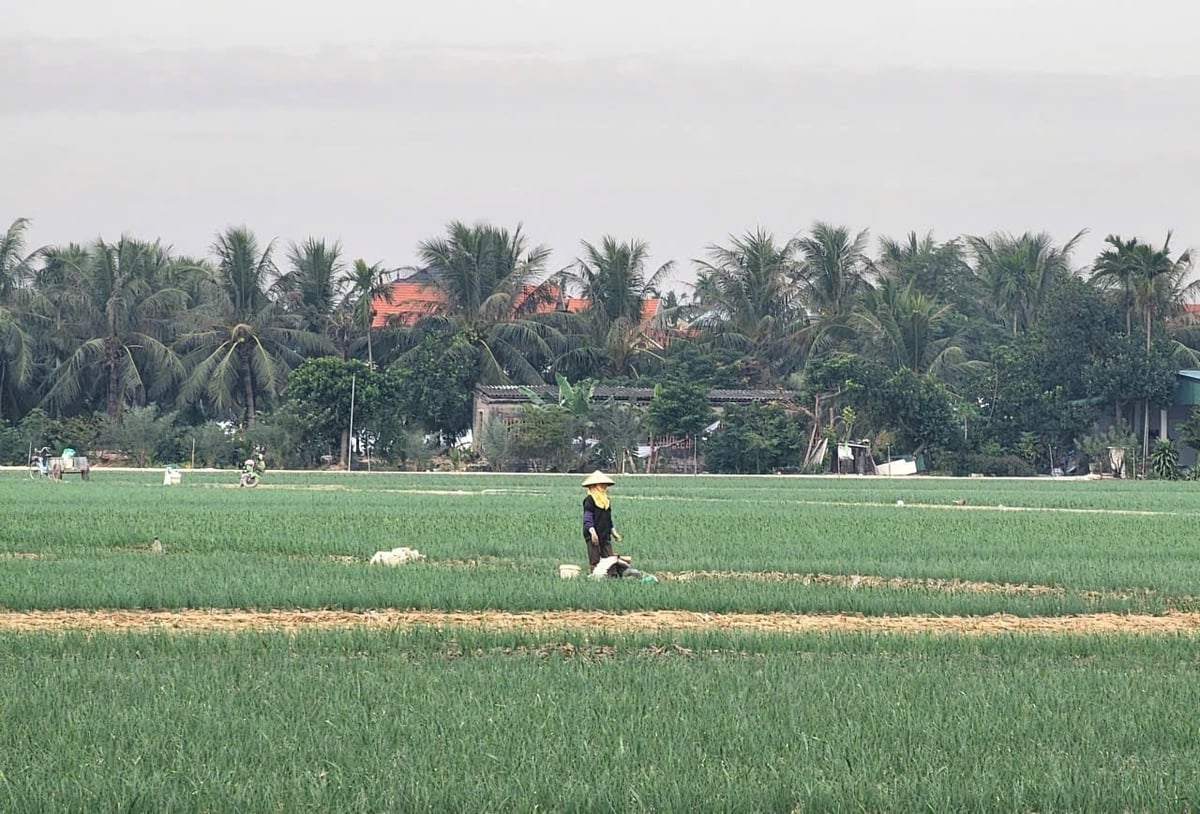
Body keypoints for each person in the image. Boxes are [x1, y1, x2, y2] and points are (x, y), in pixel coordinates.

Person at [581, 470, 621, 570]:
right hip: (593, 534)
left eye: (605, 484)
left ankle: (609, 578)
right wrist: (592, 532)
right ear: (594, 486)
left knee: (609, 559)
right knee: (595, 560)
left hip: (605, 533)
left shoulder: (606, 500)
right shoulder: (589, 500)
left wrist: (614, 532)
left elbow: (608, 519)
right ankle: (595, 577)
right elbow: (587, 518)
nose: (604, 486)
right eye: (601, 484)